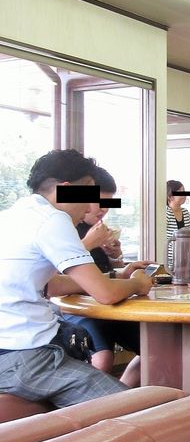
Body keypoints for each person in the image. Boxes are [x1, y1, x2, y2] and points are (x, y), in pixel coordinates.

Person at [0, 149, 153, 407]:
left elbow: (52, 284)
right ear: (66, 189)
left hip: (16, 352)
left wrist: (116, 278)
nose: (91, 207)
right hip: (25, 356)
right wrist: (137, 284)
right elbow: (105, 294)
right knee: (140, 408)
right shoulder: (53, 219)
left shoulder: (14, 214)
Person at [59, 165, 149, 387]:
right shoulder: (64, 227)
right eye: (99, 202)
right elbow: (54, 277)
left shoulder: (98, 229)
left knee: (155, 347)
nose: (103, 210)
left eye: (108, 204)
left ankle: (122, 394)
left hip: (109, 304)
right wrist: (89, 243)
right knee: (102, 359)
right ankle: (102, 399)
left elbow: (102, 273)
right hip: (78, 307)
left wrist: (117, 261)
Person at [166, 179, 190, 270]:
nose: (184, 195)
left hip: (185, 257)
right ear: (170, 196)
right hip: (170, 260)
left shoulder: (185, 212)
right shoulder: (166, 212)